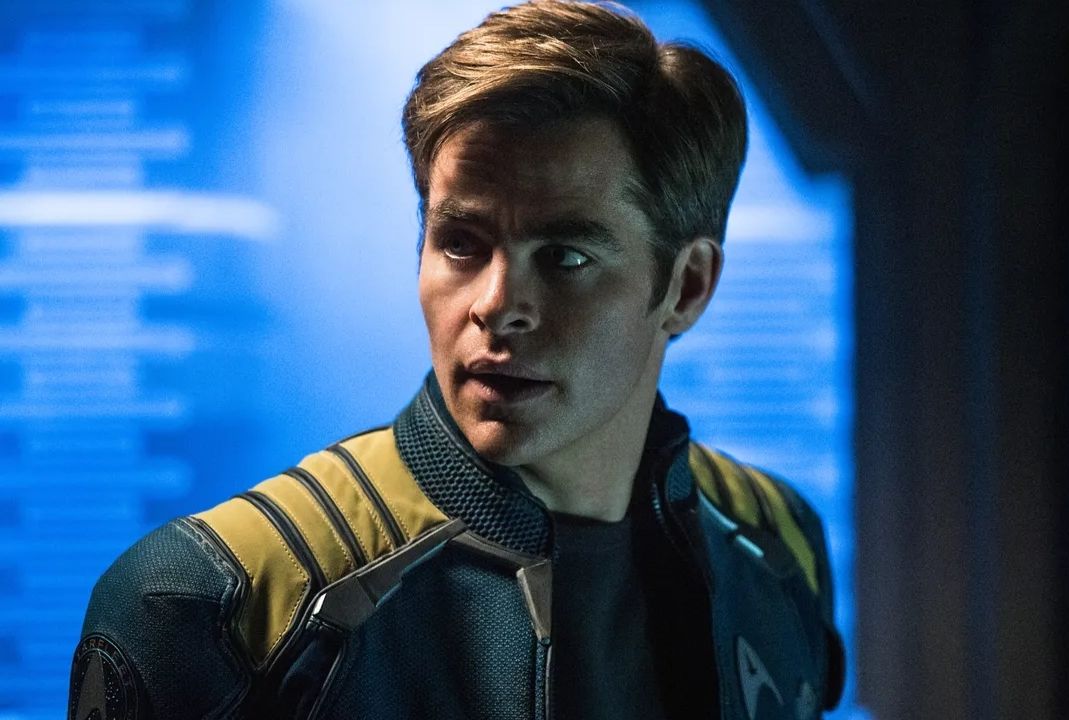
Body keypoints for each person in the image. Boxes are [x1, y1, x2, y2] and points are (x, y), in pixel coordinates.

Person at [67, 2, 844, 718]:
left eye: (565, 256)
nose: (496, 305)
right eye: (461, 243)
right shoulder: (211, 603)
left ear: (687, 286)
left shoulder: (775, 544)